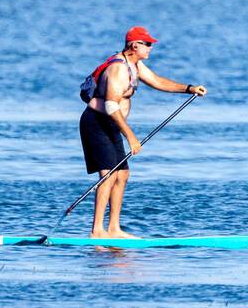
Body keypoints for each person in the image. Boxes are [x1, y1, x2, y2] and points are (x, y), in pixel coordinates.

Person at [79, 26, 207, 238]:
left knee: (122, 174)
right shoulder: (118, 69)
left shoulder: (135, 65)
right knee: (108, 175)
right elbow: (111, 106)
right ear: (134, 45)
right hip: (96, 124)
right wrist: (131, 137)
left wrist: (189, 88)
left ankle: (114, 229)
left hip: (112, 124)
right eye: (147, 44)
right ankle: (97, 230)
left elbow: (158, 82)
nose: (150, 48)